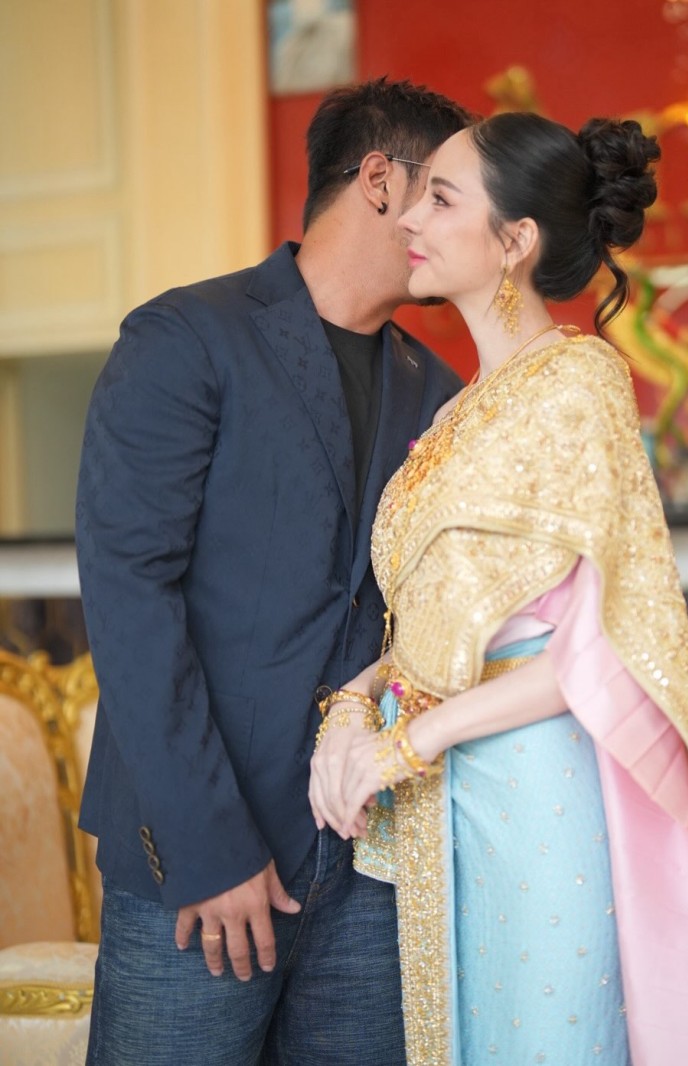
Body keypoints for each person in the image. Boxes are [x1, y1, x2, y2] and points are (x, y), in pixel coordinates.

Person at [309, 111, 688, 1065]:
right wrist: (349, 708)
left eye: (442, 199)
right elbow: (433, 620)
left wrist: (411, 742)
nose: (410, 220)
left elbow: (600, 648)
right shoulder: (459, 409)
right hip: (443, 789)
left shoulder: (578, 382)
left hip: (533, 789)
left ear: (515, 242)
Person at [75, 77, 470, 1066]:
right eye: (443, 191)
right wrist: (207, 848)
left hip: (370, 868)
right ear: (378, 180)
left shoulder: (441, 389)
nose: (456, 220)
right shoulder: (184, 338)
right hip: (200, 866)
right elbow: (131, 600)